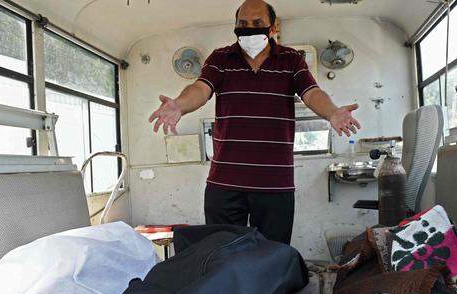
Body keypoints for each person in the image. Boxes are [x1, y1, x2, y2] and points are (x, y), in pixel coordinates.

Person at [148, 0, 361, 244]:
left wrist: (332, 112)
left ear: (273, 27)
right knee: (222, 257)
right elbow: (200, 88)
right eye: (243, 24)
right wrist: (179, 104)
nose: (249, 29)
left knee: (272, 259)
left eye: (257, 23)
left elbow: (311, 93)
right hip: (225, 183)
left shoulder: (291, 60)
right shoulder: (220, 58)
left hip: (275, 184)